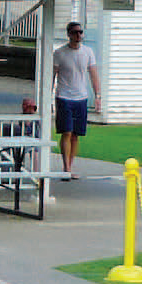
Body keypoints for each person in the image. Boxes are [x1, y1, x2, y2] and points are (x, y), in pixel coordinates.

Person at [53, 21, 100, 181]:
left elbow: (93, 74)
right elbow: (52, 75)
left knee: (76, 135)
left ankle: (70, 166)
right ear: (69, 34)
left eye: (80, 32)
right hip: (64, 96)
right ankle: (66, 167)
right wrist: (48, 97)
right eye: (75, 32)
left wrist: (98, 96)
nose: (78, 35)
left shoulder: (88, 52)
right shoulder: (60, 53)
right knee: (66, 131)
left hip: (81, 97)